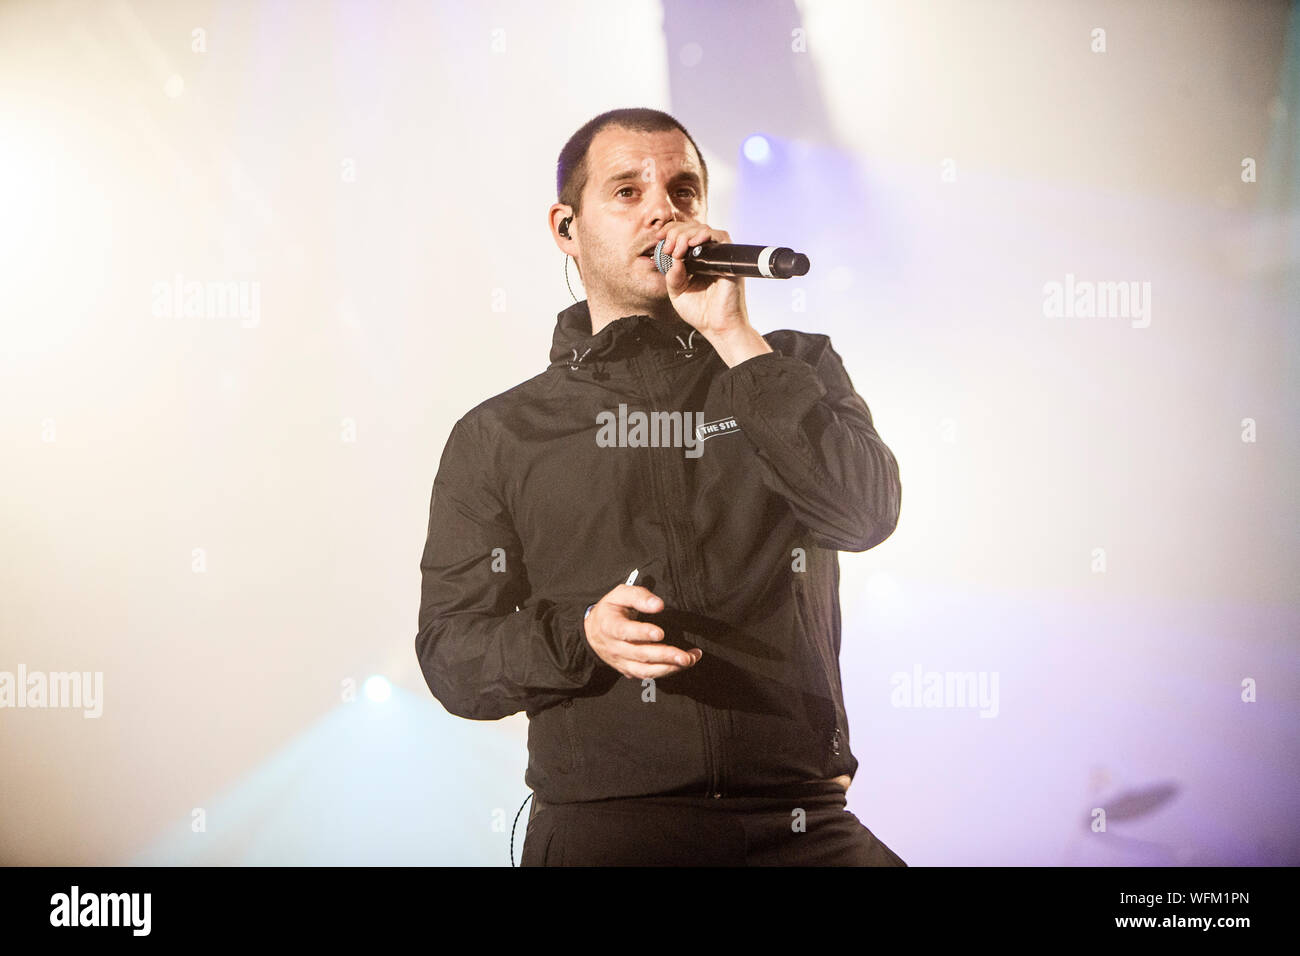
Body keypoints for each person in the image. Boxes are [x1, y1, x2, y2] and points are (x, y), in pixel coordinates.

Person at [415, 107, 905, 866]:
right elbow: (453, 656)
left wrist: (735, 338)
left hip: (799, 817)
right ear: (566, 228)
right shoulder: (501, 434)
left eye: (684, 189)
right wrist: (580, 634)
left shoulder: (789, 368)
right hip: (612, 828)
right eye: (626, 191)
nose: (663, 210)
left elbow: (863, 515)